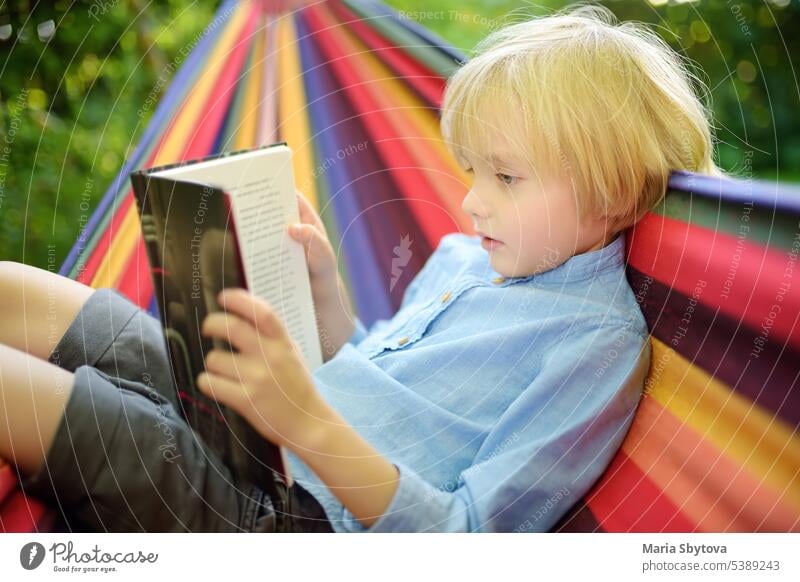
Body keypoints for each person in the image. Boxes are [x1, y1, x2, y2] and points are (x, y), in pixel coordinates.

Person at [0, 5, 717, 532]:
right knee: (43, 301)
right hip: (262, 425)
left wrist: (304, 421)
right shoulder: (467, 257)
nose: (471, 201)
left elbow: (464, 539)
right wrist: (325, 300)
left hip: (289, 518)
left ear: (618, 192)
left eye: (506, 177)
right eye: (471, 170)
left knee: (52, 402)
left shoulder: (594, 346)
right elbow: (380, 380)